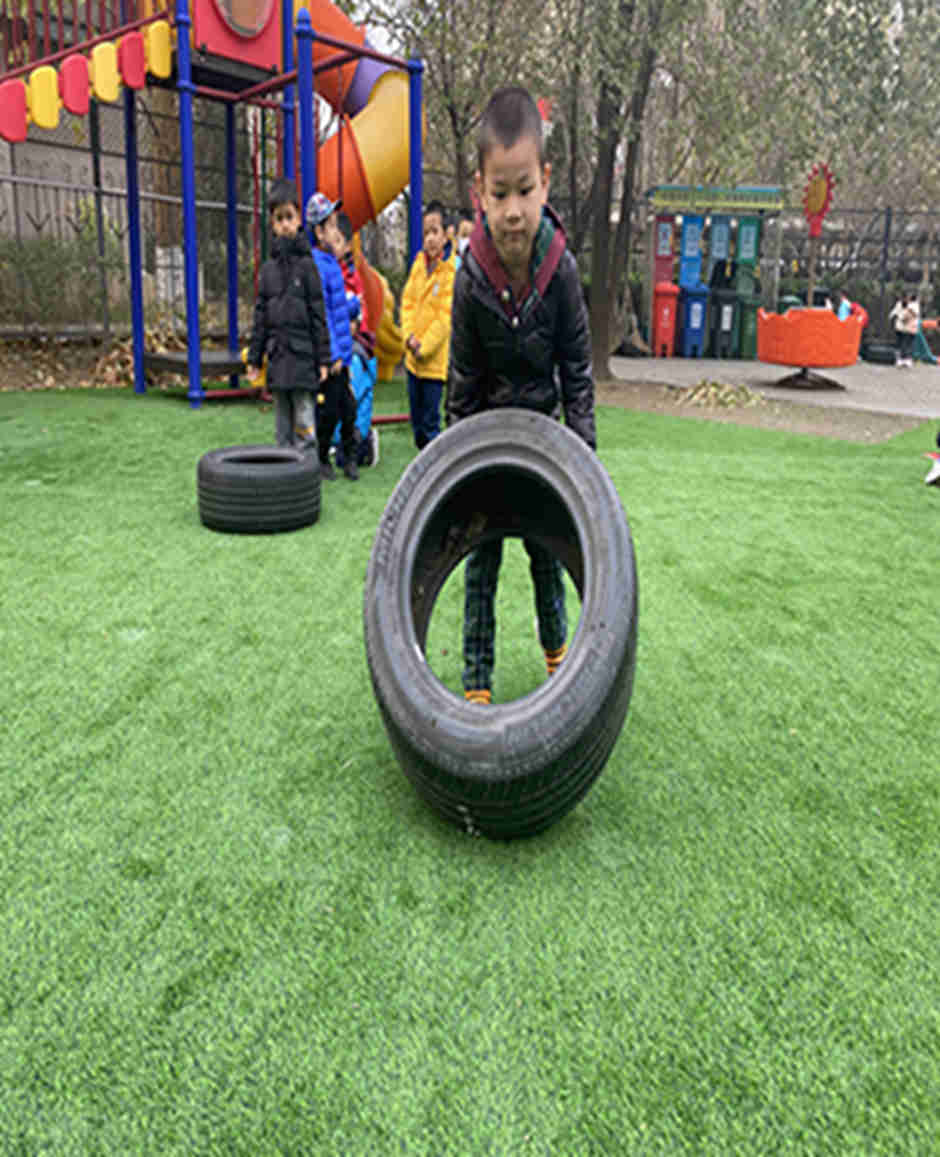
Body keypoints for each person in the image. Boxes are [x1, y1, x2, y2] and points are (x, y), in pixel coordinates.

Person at [446, 85, 596, 705]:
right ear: (479, 191)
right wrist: (455, 475)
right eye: (500, 193)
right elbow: (461, 385)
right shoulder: (469, 280)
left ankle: (560, 660)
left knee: (546, 556)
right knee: (480, 562)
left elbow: (577, 373)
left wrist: (584, 467)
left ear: (545, 183)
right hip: (485, 442)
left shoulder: (561, 271)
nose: (513, 211)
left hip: (543, 443)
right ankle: (476, 685)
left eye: (525, 191)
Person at [245, 177, 330, 452]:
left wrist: (323, 358)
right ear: (272, 223)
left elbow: (318, 313)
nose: (284, 224)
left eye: (289, 217)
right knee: (282, 426)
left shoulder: (307, 266)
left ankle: (306, 468)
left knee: (304, 421)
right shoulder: (268, 270)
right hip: (279, 358)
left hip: (303, 358)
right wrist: (255, 357)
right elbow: (261, 316)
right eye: (279, 218)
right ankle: (283, 469)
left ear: (298, 220)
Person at [305, 191, 359, 480]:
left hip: (343, 356)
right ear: (319, 232)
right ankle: (322, 456)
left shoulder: (332, 265)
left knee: (348, 408)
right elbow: (323, 314)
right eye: (331, 226)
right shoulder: (318, 266)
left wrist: (353, 307)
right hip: (332, 357)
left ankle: (348, 456)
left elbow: (337, 307)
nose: (337, 232)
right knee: (329, 411)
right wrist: (334, 354)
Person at [400, 198, 457, 450]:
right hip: (413, 363)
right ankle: (423, 457)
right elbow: (407, 304)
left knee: (431, 422)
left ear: (446, 235)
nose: (430, 239)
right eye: (426, 233)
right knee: (417, 423)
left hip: (433, 365)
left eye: (435, 232)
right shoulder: (418, 266)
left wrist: (423, 346)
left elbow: (444, 319)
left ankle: (435, 462)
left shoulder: (449, 273)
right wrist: (409, 337)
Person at [334, 310, 380, 469]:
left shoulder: (356, 355)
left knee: (345, 459)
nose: (347, 326)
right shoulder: (338, 349)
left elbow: (354, 394)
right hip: (341, 419)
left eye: (351, 321)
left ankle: (367, 443)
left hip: (355, 420)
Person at [334, 211, 372, 339]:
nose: (331, 245)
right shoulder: (322, 270)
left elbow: (362, 308)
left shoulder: (352, 276)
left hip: (351, 335)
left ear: (347, 246)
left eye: (337, 240)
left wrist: (357, 324)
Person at [889, 291, 919, 368]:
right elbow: (893, 314)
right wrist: (894, 317)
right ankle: (900, 359)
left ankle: (907, 360)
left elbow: (913, 314)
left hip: (910, 328)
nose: (907, 299)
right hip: (900, 328)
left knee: (908, 344)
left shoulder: (914, 305)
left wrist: (905, 315)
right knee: (900, 343)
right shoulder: (899, 304)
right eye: (905, 297)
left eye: (909, 297)